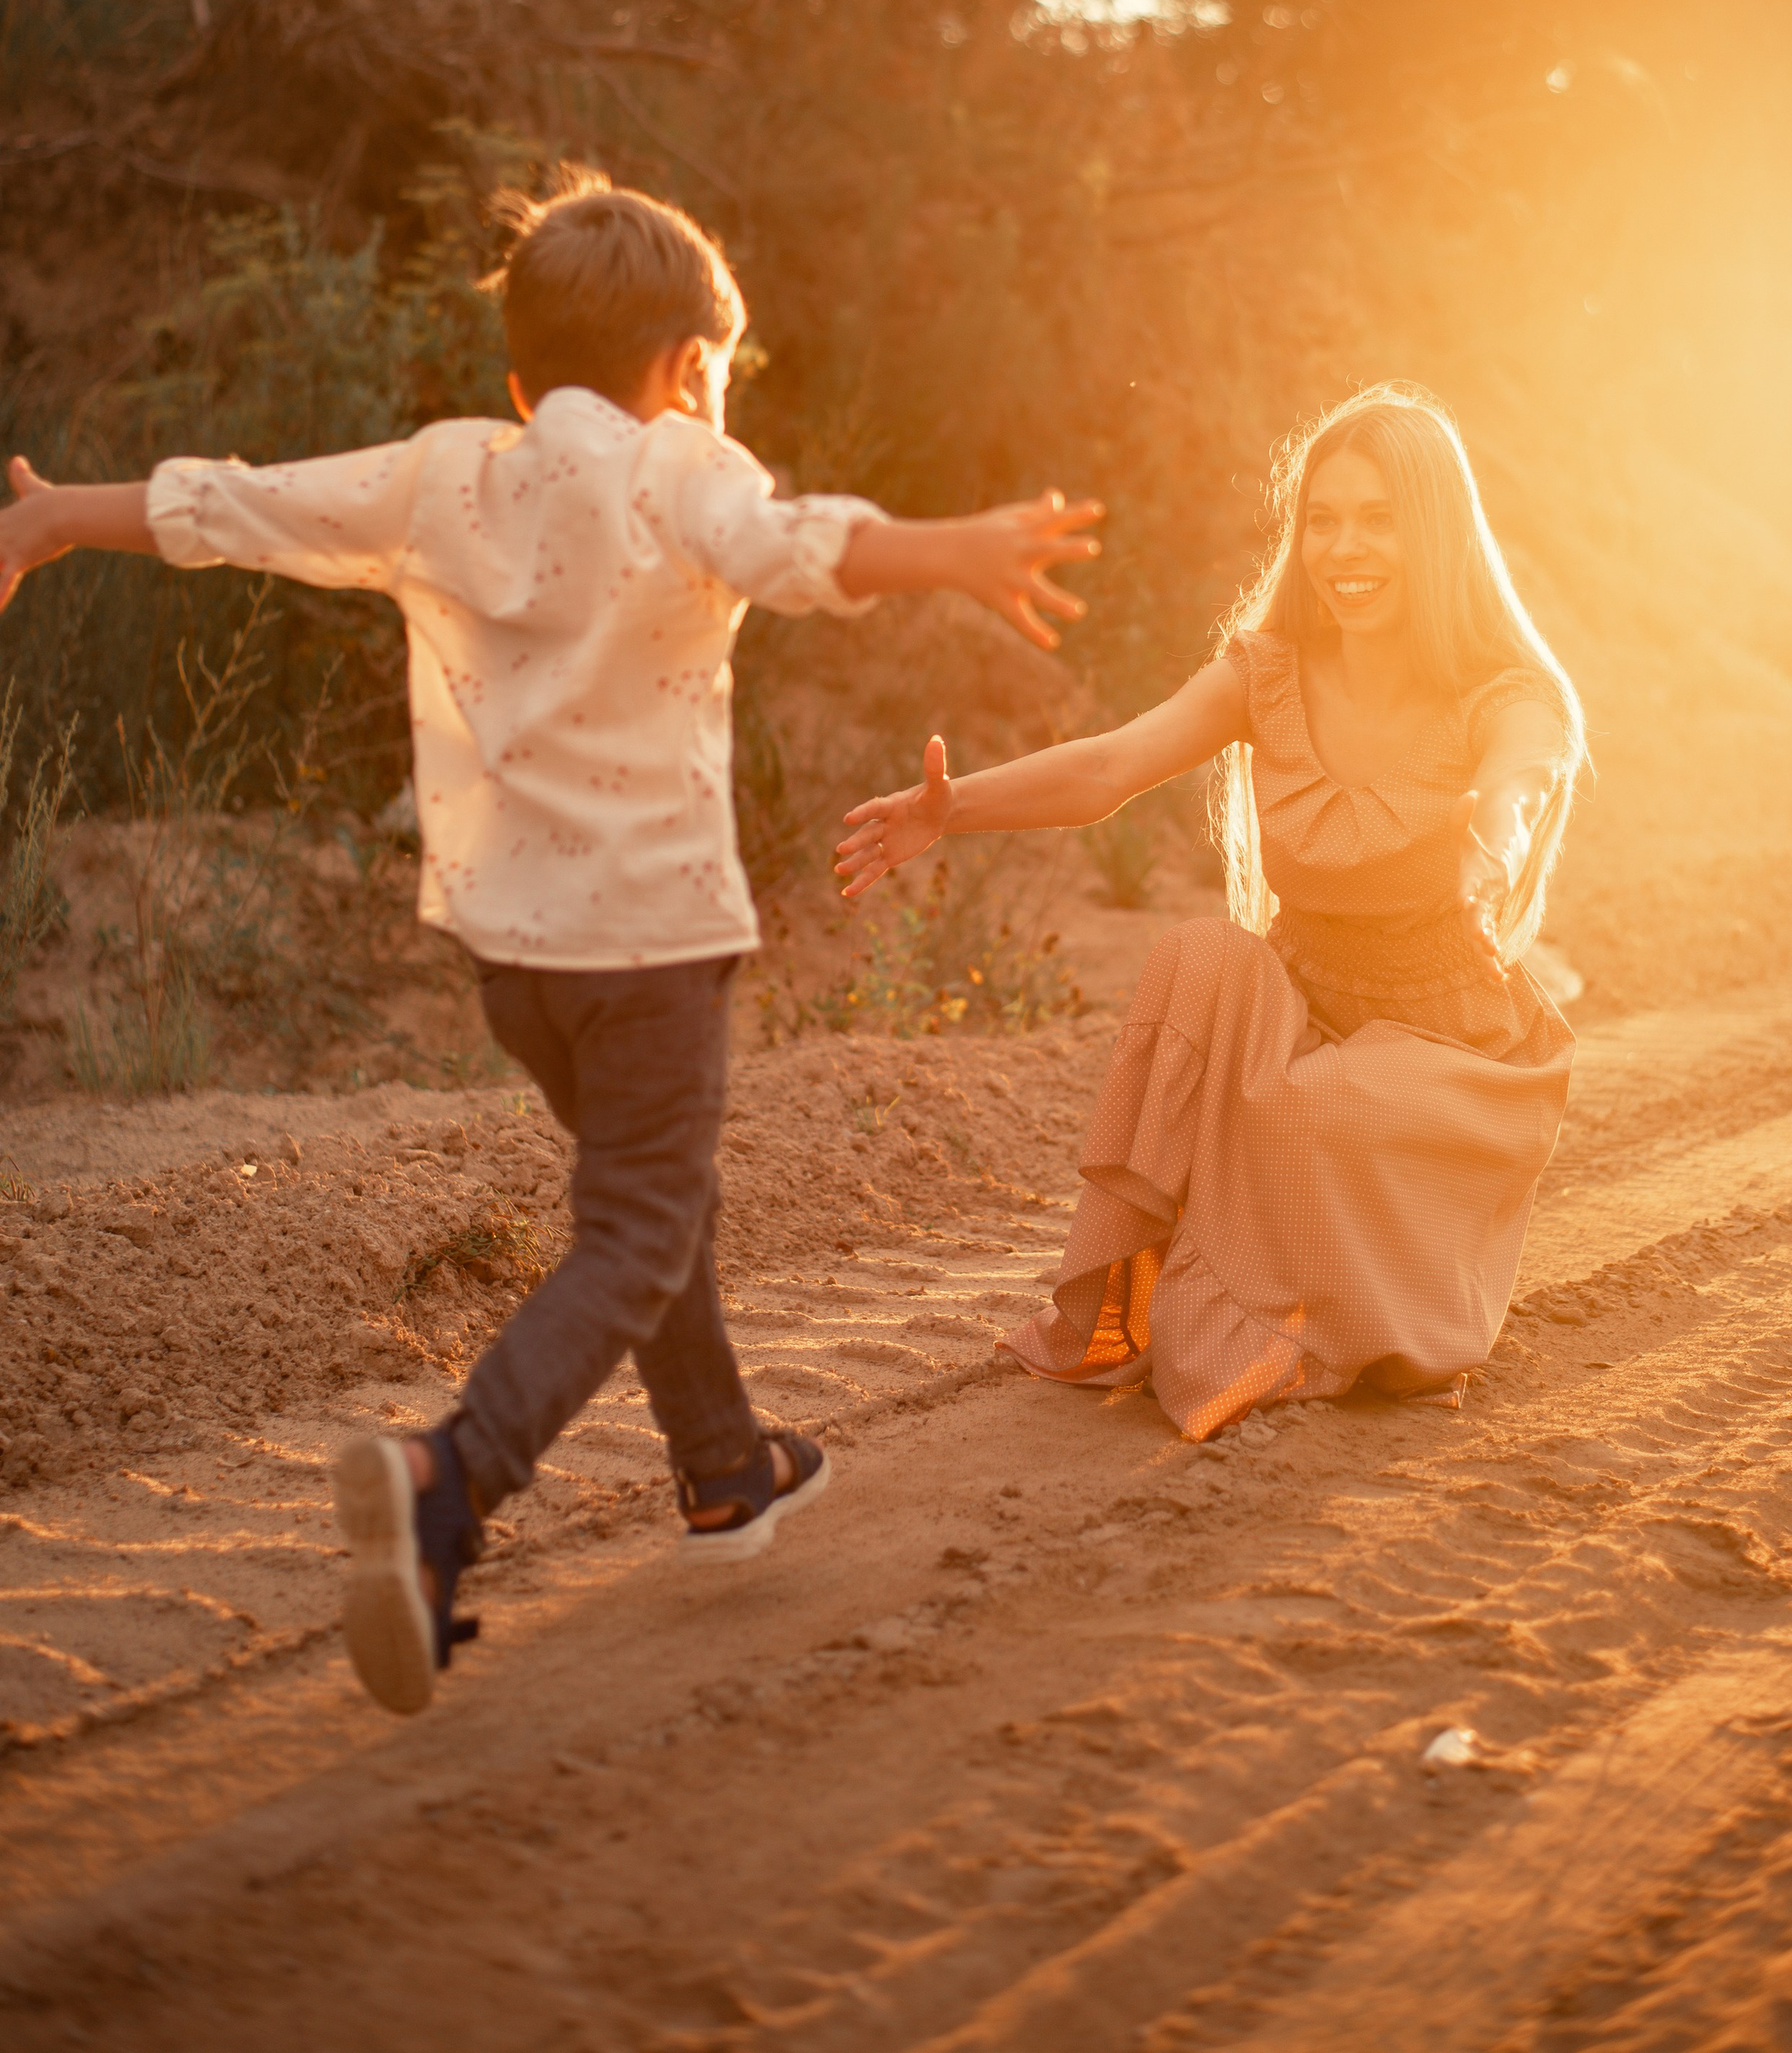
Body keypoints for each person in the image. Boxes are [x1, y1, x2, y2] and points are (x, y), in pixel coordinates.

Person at [0, 169, 1101, 1712]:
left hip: (515, 960)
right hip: (651, 950)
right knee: (639, 1228)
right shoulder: (680, 466)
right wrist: (953, 548)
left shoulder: (448, 470)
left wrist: (58, 515)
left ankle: (724, 1468)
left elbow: (245, 506)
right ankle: (448, 1481)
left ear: (523, 380)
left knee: (656, 1197)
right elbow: (796, 544)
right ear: (690, 366)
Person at [836, 382, 1584, 1441]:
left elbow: (1523, 780)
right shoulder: (1267, 674)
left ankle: (1353, 1311)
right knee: (1199, 958)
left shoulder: (1501, 692)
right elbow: (1111, 766)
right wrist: (951, 809)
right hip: (1306, 1019)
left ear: (1435, 531)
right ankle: (1198, 1288)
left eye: (1378, 520)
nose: (1344, 548)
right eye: (1322, 520)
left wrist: (1492, 849)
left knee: (1321, 1108)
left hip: (1442, 1051)